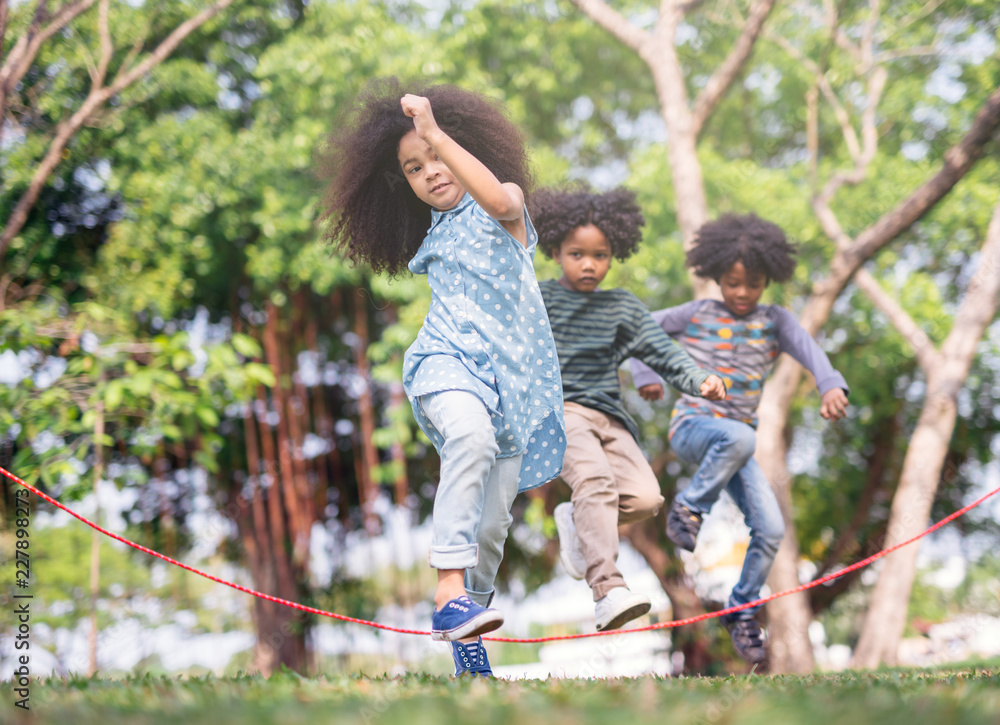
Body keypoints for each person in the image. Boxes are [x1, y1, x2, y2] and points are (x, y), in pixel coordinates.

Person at [318, 79, 565, 677]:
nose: (430, 171)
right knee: (471, 438)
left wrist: (435, 134)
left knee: (494, 526)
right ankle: (446, 588)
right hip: (445, 366)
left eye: (437, 157)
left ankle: (467, 643)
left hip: (514, 391)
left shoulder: (504, 209)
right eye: (413, 167)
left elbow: (502, 201)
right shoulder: (435, 234)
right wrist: (426, 139)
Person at [629, 213, 849, 666]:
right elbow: (638, 329)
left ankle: (742, 607)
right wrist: (646, 373)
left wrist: (830, 384)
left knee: (770, 530)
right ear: (716, 277)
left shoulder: (776, 321)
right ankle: (689, 507)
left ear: (769, 279)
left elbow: (810, 350)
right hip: (693, 428)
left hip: (736, 446)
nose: (743, 293)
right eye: (732, 283)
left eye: (754, 284)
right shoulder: (697, 313)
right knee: (739, 437)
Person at [531, 187, 726, 632]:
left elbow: (662, 351)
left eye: (599, 255)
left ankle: (578, 520)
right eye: (576, 254)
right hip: (561, 412)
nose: (588, 264)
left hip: (610, 417)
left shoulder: (620, 306)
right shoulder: (539, 298)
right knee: (595, 481)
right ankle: (607, 589)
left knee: (646, 498)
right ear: (556, 251)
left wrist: (700, 380)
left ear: (613, 255)